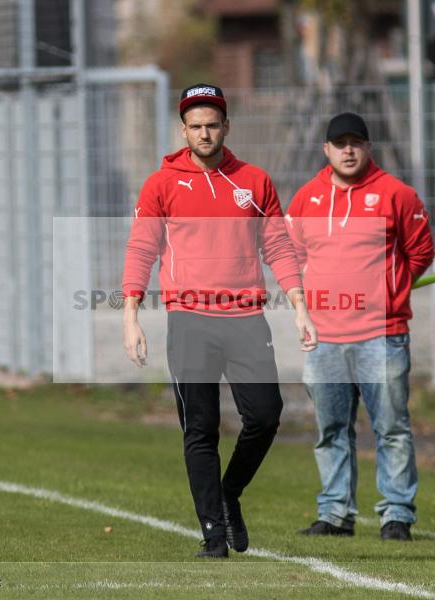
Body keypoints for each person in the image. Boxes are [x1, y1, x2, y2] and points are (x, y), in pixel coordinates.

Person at [122, 83, 317, 558]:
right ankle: (213, 536)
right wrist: (131, 315)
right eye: (196, 126)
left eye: (212, 125)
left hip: (245, 318)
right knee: (201, 429)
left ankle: (229, 493)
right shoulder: (161, 184)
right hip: (188, 319)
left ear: (226, 127)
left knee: (266, 416)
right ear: (183, 130)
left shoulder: (254, 181)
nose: (204, 133)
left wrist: (299, 306)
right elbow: (141, 250)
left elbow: (278, 247)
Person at [285, 112, 435, 541]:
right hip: (323, 335)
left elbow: (421, 251)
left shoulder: (396, 194)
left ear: (368, 148)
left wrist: (391, 290)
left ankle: (397, 515)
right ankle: (335, 514)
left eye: (356, 142)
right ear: (326, 150)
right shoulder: (305, 200)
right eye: (340, 143)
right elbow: (290, 257)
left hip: (381, 334)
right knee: (331, 430)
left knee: (391, 427)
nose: (348, 150)